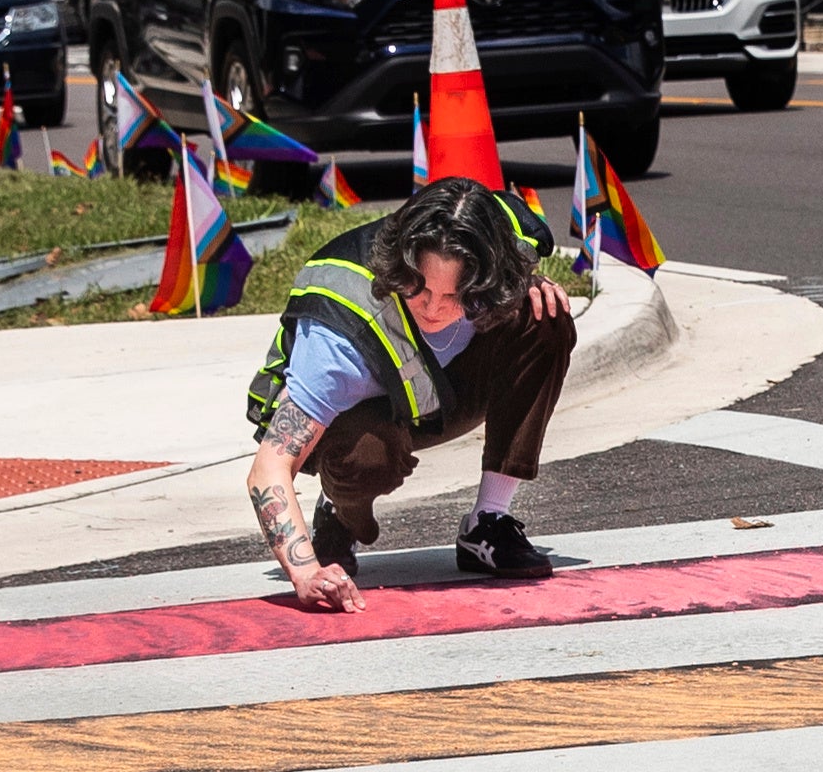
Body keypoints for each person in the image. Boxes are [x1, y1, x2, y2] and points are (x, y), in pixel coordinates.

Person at [242, 176, 575, 608]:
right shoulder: (337, 337)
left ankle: (488, 521)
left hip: (436, 390)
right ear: (403, 266)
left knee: (544, 316)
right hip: (357, 423)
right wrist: (306, 574)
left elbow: (515, 266)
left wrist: (522, 287)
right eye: (420, 289)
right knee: (368, 456)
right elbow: (267, 470)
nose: (435, 309)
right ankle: (337, 509)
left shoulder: (508, 236)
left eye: (456, 296)